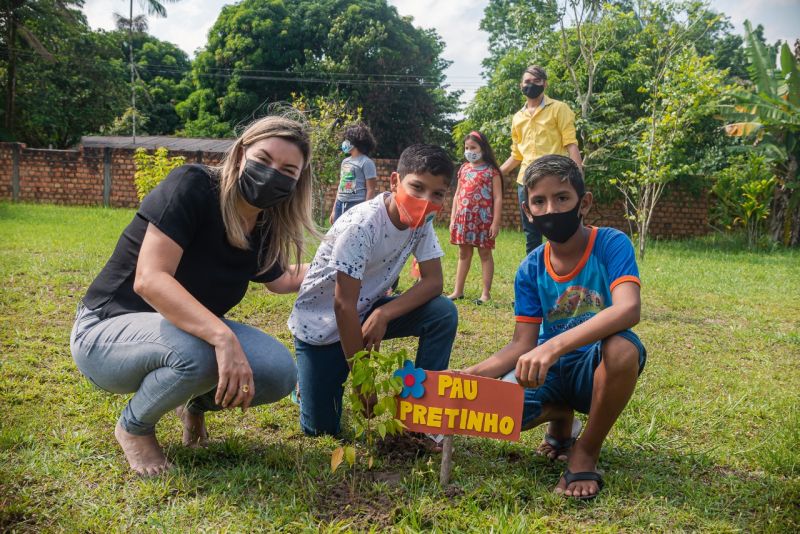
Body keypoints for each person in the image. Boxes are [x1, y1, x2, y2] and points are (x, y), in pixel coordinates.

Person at [70, 116, 317, 476]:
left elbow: (279, 280)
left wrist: (343, 269)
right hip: (104, 333)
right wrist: (222, 337)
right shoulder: (193, 186)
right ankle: (134, 427)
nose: (271, 174)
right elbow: (150, 280)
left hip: (179, 337)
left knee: (278, 371)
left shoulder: (263, 223)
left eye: (287, 170)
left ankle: (192, 405)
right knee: (202, 353)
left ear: (297, 182)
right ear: (240, 155)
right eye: (263, 160)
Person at [464, 155, 645, 500]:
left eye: (562, 198)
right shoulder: (530, 268)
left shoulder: (610, 243)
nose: (551, 209)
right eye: (539, 201)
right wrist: (471, 375)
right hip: (549, 370)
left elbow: (628, 308)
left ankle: (586, 450)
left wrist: (551, 347)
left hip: (595, 367)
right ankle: (561, 416)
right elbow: (521, 345)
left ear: (584, 203)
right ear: (528, 211)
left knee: (623, 349)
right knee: (497, 411)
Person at [289, 144, 458, 437]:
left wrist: (384, 313)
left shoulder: (420, 223)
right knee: (321, 430)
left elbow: (433, 282)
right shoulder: (362, 225)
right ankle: (304, 383)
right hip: (322, 326)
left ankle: (422, 410)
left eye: (437, 194)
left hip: (366, 312)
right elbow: (343, 305)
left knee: (442, 313)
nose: (425, 201)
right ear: (394, 182)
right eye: (417, 188)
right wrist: (363, 381)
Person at [499, 65, 583, 254]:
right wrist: (494, 173)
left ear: (545, 84)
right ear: (521, 85)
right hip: (526, 182)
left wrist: (578, 177)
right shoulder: (517, 117)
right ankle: (535, 270)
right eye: (527, 81)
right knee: (532, 234)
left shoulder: (559, 109)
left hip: (556, 180)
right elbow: (516, 155)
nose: (531, 85)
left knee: (562, 230)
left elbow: (571, 144)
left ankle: (566, 266)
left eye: (536, 81)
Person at [447, 130, 503, 304]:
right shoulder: (463, 169)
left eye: (473, 147)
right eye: (467, 148)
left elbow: (498, 198)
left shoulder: (492, 171)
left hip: (484, 220)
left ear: (483, 149)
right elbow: (457, 195)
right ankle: (458, 291)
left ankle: (485, 294)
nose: (469, 151)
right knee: (463, 253)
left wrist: (495, 222)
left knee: (485, 253)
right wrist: (453, 218)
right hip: (463, 219)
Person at [329, 122, 378, 224]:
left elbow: (371, 189)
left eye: (347, 139)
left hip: (356, 205)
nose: (344, 142)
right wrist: (334, 210)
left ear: (355, 142)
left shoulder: (366, 162)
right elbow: (341, 187)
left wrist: (366, 212)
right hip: (340, 204)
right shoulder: (345, 162)